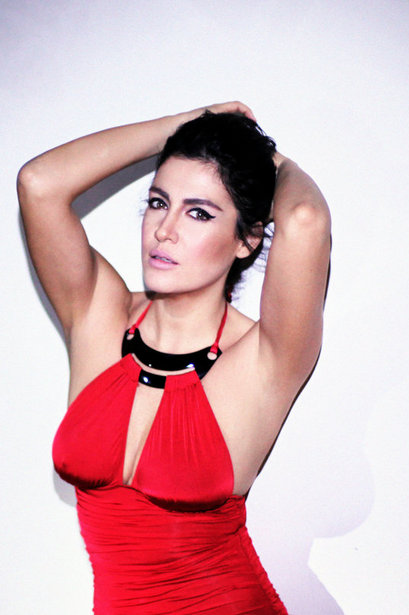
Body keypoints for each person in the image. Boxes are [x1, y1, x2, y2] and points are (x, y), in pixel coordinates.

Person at [17, 101, 331, 614]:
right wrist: (185, 125)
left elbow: (304, 218)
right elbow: (39, 183)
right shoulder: (99, 314)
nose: (165, 230)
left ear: (247, 239)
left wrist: (270, 160)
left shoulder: (262, 356)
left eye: (199, 213)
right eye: (159, 203)